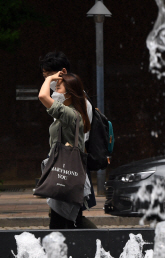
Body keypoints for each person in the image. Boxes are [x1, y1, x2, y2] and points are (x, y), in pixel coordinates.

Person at [39, 51, 97, 228]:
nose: (52, 86)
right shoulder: (70, 106)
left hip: (69, 165)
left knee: (66, 220)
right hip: (65, 164)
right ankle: (99, 245)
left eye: (52, 78)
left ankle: (102, 243)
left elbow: (42, 97)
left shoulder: (72, 112)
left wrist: (50, 80)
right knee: (71, 219)